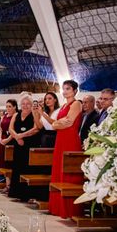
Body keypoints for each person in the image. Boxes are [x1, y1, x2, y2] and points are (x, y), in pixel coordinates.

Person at [48, 81, 83, 217]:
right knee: (58, 171)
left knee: (69, 173)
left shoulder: (76, 103)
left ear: (75, 90)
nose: (65, 91)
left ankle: (70, 210)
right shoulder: (64, 105)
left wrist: (56, 124)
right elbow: (59, 123)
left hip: (70, 140)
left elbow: (69, 122)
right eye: (64, 89)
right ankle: (58, 207)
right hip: (60, 140)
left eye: (68, 89)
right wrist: (58, 124)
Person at [8, 95, 40, 200]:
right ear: (20, 105)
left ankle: (27, 194)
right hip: (18, 144)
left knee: (27, 168)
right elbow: (10, 128)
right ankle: (17, 193)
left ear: (31, 105)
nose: (25, 106)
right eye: (23, 104)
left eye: (28, 104)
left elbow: (36, 129)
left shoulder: (34, 114)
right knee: (17, 167)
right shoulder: (16, 115)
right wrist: (17, 137)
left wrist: (22, 135)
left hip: (30, 144)